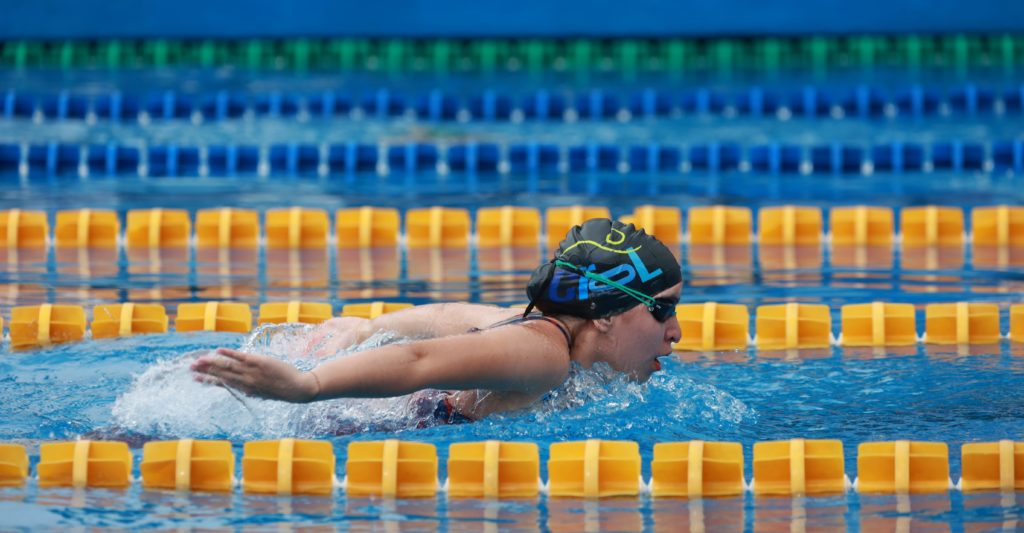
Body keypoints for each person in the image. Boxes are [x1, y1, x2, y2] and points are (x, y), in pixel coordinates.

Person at [191, 218, 682, 424]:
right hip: (359, 431)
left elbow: (450, 317)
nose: (675, 331)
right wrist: (307, 384)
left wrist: (362, 328)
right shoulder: (545, 356)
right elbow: (418, 359)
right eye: (661, 308)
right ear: (604, 314)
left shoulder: (540, 329)